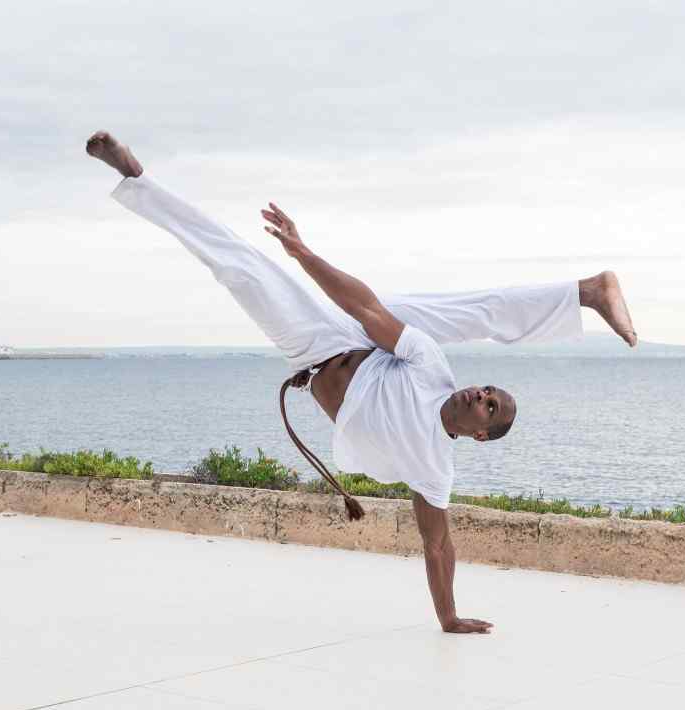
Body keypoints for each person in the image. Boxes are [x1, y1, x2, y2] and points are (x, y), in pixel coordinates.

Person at [86, 131, 637, 635]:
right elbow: (366, 309)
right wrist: (302, 253)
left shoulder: (432, 466)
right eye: (488, 390)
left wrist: (448, 618)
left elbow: (438, 544)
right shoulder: (432, 366)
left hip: (317, 346)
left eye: (489, 408)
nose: (482, 395)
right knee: (473, 309)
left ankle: (588, 292)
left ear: (479, 435)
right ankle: (137, 179)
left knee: (243, 271)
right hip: (367, 333)